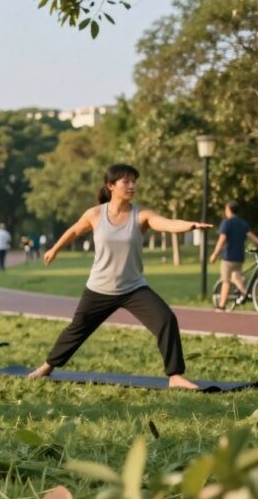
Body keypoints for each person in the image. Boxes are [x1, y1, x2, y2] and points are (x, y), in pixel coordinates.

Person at [27, 164, 209, 389]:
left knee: (166, 319)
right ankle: (47, 367)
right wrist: (54, 249)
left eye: (134, 181)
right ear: (111, 186)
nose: (132, 186)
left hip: (133, 288)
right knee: (77, 329)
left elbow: (166, 223)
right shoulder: (95, 214)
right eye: (126, 182)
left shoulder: (141, 215)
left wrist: (189, 225)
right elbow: (74, 230)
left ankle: (175, 376)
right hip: (99, 288)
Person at [209, 201, 258, 311]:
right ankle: (245, 294)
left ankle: (222, 305)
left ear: (229, 210)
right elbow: (251, 236)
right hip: (239, 257)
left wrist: (214, 254)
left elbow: (222, 240)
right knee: (237, 277)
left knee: (226, 281)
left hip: (228, 258)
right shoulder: (243, 223)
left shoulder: (226, 223)